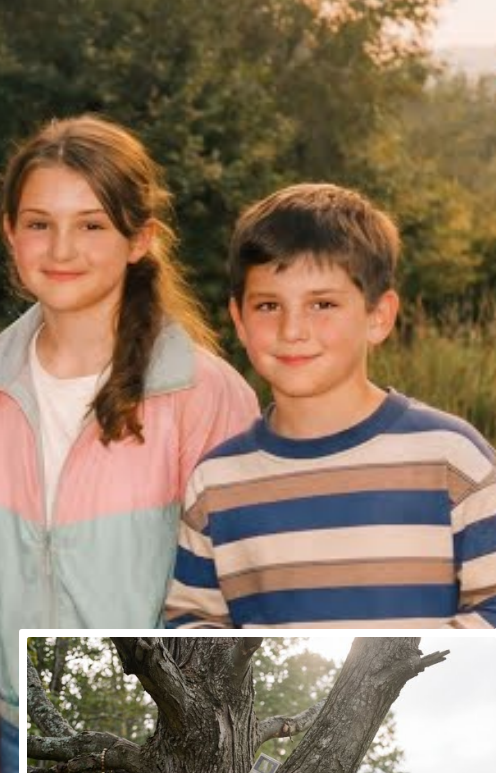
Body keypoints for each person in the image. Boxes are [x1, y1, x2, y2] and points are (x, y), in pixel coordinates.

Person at [0, 114, 259, 773]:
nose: (62, 247)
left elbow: (244, 585)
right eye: (39, 224)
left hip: (161, 735)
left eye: (91, 224)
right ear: (10, 236)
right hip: (25, 724)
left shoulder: (205, 395)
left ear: (139, 238)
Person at [164, 182, 496, 627]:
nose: (293, 329)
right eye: (267, 305)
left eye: (322, 303)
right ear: (239, 321)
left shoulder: (453, 458)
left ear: (378, 316)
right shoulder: (215, 484)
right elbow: (192, 621)